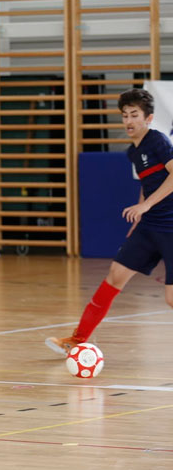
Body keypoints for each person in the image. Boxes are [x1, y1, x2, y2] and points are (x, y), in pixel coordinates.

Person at [46, 88, 173, 355]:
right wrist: (140, 217)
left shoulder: (158, 141)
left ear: (148, 118)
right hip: (150, 226)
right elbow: (149, 184)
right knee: (114, 277)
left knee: (171, 299)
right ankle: (77, 340)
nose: (128, 121)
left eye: (134, 115)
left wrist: (146, 205)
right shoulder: (134, 151)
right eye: (125, 115)